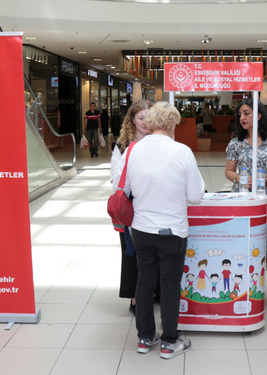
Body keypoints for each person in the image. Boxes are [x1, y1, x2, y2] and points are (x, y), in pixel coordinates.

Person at [114, 101, 205, 359]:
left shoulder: (132, 150)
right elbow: (196, 195)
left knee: (144, 282)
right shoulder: (182, 151)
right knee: (169, 285)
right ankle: (169, 342)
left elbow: (123, 189)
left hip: (141, 230)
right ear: (171, 123)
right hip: (172, 231)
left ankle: (145, 338)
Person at [224, 98, 267, 303]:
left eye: (246, 113)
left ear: (259, 115)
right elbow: (228, 171)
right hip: (243, 199)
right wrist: (240, 178)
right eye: (240, 114)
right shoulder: (236, 142)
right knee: (242, 240)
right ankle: (243, 283)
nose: (242, 117)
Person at [110, 100, 153, 315]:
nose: (145, 122)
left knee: (154, 251)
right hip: (130, 207)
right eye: (141, 118)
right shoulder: (122, 145)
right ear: (132, 120)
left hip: (154, 205)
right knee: (131, 252)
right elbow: (116, 178)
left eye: (149, 117)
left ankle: (154, 292)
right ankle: (135, 296)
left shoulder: (161, 141)